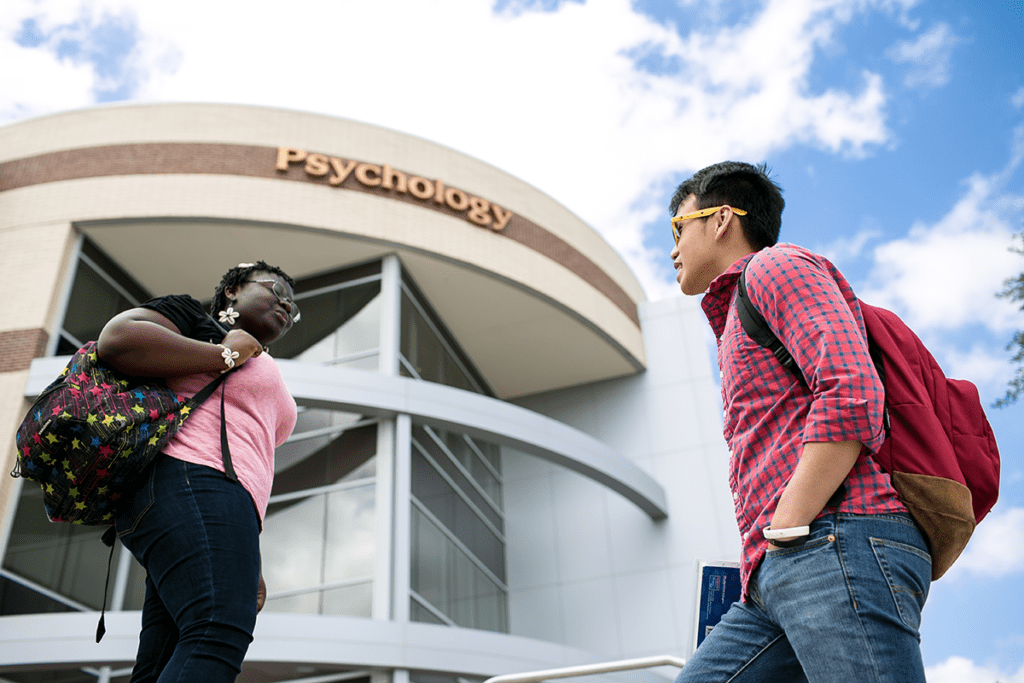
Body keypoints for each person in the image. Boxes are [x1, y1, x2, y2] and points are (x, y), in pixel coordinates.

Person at [669, 162, 931, 682]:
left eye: (679, 227)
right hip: (776, 572)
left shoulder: (775, 268)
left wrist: (787, 526)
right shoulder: (732, 321)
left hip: (832, 541)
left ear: (722, 219)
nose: (672, 248)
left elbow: (852, 392)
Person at [96, 261, 300, 683]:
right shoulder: (194, 318)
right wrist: (227, 352)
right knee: (219, 629)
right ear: (232, 291)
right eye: (276, 288)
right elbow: (118, 339)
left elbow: (250, 459)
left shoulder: (265, 362)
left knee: (161, 660)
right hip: (188, 477)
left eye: (293, 305)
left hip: (213, 502)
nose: (285, 302)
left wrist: (250, 547)